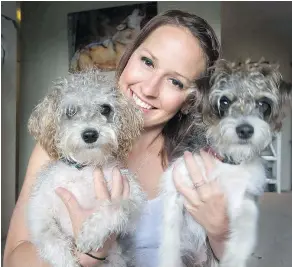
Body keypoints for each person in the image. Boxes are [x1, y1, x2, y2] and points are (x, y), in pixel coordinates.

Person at [4, 10, 228, 267]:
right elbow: (13, 259)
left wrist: (221, 231)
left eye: (175, 82)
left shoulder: (197, 165)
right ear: (129, 54)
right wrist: (88, 255)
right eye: (147, 62)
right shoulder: (60, 150)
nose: (149, 88)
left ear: (191, 100)